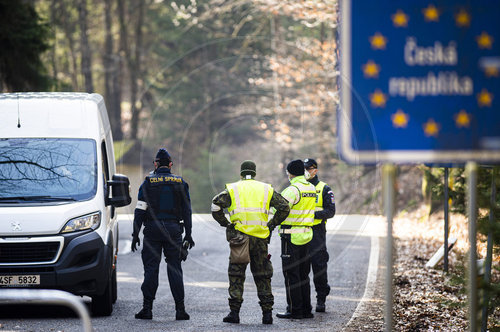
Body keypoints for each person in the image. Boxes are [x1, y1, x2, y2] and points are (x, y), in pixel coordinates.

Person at [211, 160, 290, 325]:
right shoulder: (266, 189)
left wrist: (226, 223)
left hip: (240, 239)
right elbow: (284, 207)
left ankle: (234, 313)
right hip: (260, 239)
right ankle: (267, 314)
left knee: (236, 274)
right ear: (255, 173)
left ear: (241, 173)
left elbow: (215, 205)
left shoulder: (233, 189)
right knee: (262, 275)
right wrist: (272, 224)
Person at [131, 148, 194, 321]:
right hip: (173, 230)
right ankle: (180, 310)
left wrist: (135, 234)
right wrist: (188, 234)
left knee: (151, 269)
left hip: (152, 230)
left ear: (156, 164)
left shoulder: (148, 182)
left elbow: (140, 211)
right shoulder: (180, 182)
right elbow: (187, 211)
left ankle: (147, 309)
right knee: (175, 268)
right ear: (171, 164)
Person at [276, 159, 317, 319]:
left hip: (290, 237)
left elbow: (280, 209)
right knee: (303, 274)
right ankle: (306, 309)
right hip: (307, 236)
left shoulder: (292, 190)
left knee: (291, 275)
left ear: (290, 173)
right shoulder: (311, 188)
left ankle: (294, 309)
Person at [304, 158, 336, 312]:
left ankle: (321, 299)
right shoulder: (299, 188)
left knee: (319, 267)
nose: (306, 172)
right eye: (304, 169)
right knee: (301, 268)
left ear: (315, 170)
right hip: (301, 232)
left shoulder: (324, 188)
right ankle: (303, 303)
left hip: (317, 233)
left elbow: (331, 211)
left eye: (308, 169)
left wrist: (313, 215)